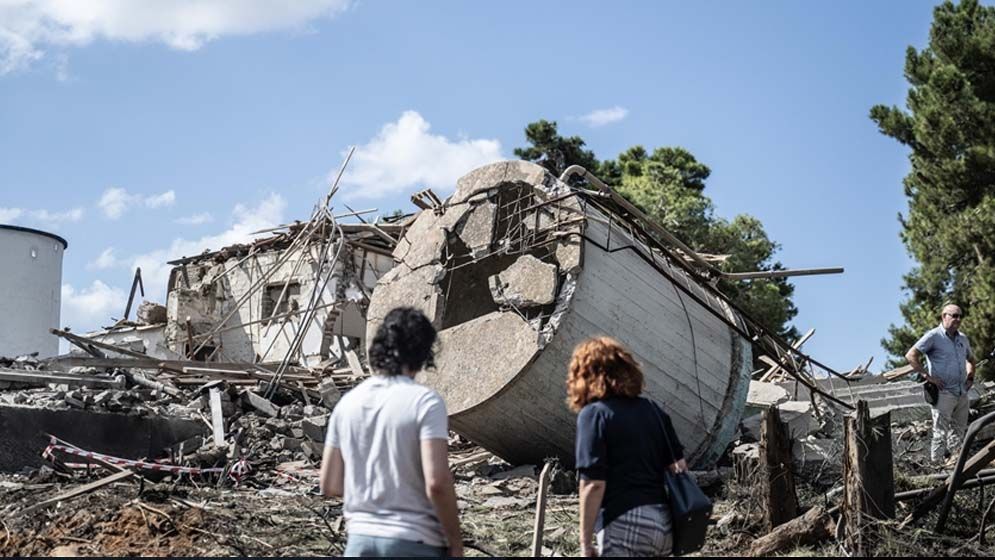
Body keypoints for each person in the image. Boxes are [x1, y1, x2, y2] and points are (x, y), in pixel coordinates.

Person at [318, 307, 463, 557]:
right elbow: (437, 483)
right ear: (424, 352)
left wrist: (372, 492)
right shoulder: (425, 402)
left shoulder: (347, 404)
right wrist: (455, 541)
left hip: (359, 542)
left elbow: (329, 484)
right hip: (414, 541)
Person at [568, 336, 688, 557]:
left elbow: (593, 484)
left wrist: (585, 543)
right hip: (664, 526)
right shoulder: (652, 410)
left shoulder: (594, 415)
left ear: (585, 376)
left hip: (623, 523)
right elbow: (679, 467)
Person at [906, 303, 976, 465]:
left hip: (961, 392)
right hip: (943, 393)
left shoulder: (962, 338)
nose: (958, 319)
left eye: (960, 316)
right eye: (954, 316)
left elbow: (971, 360)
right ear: (944, 316)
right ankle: (936, 467)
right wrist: (927, 376)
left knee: (958, 432)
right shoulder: (933, 336)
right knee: (940, 433)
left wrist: (970, 378)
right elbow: (911, 355)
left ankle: (955, 466)